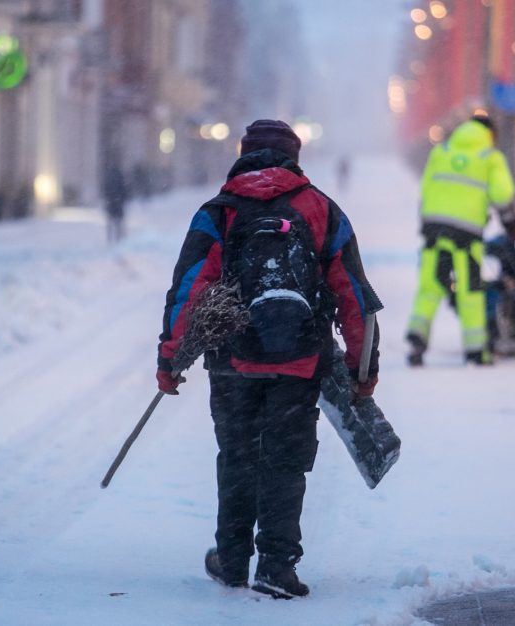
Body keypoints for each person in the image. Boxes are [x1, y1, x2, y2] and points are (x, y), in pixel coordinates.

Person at [156, 119, 381, 599]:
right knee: (285, 461)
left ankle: (232, 560)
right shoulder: (320, 209)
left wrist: (170, 360)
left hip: (233, 360)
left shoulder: (219, 212)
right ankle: (277, 566)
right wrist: (364, 368)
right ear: (294, 158)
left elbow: (189, 289)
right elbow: (353, 295)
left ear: (244, 153)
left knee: (236, 458)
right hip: (299, 360)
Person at [405, 113, 515, 366]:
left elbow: (426, 187)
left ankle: (417, 339)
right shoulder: (490, 156)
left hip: (434, 228)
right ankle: (476, 351)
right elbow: (503, 194)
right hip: (466, 233)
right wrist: (510, 222)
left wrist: (428, 221)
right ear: (490, 134)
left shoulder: (441, 150)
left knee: (430, 285)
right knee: (470, 290)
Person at [102, 163, 128, 243]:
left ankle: (111, 238)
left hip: (111, 203)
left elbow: (105, 190)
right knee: (117, 222)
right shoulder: (119, 179)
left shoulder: (109, 179)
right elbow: (124, 190)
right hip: (117, 202)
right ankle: (118, 237)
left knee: (111, 222)